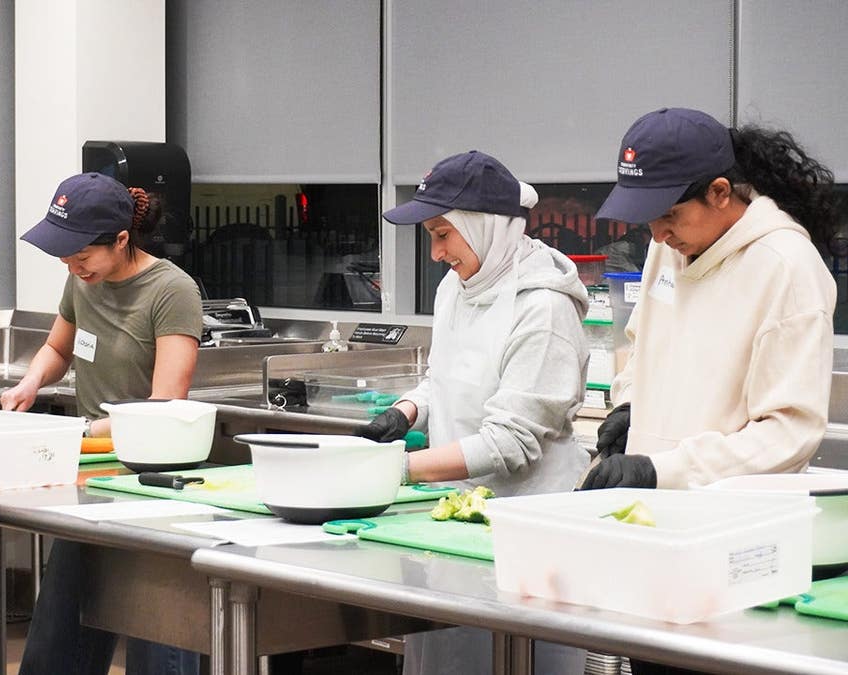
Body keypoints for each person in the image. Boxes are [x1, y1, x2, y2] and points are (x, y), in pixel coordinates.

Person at [356, 151, 590, 674]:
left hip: (529, 532)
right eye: (431, 237)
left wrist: (395, 470)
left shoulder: (544, 308)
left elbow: (511, 441)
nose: (436, 253)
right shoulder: (458, 287)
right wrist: (406, 411)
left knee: (515, 661)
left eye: (444, 235)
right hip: (458, 522)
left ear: (486, 227)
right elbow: (445, 377)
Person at [580, 108, 837, 498]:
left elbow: (789, 435)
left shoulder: (786, 267)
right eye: (648, 219)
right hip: (650, 505)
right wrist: (631, 406)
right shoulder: (668, 249)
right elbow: (645, 349)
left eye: (669, 215)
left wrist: (662, 470)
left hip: (727, 516)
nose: (658, 234)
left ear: (719, 192)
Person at [6, 172, 204, 675]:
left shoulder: (172, 290)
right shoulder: (81, 281)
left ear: (121, 239)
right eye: (64, 258)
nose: (73, 267)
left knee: (159, 641)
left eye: (81, 256)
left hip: (151, 485)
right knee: (59, 642)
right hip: (92, 477)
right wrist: (31, 381)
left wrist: (79, 432)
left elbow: (164, 405)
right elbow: (58, 349)